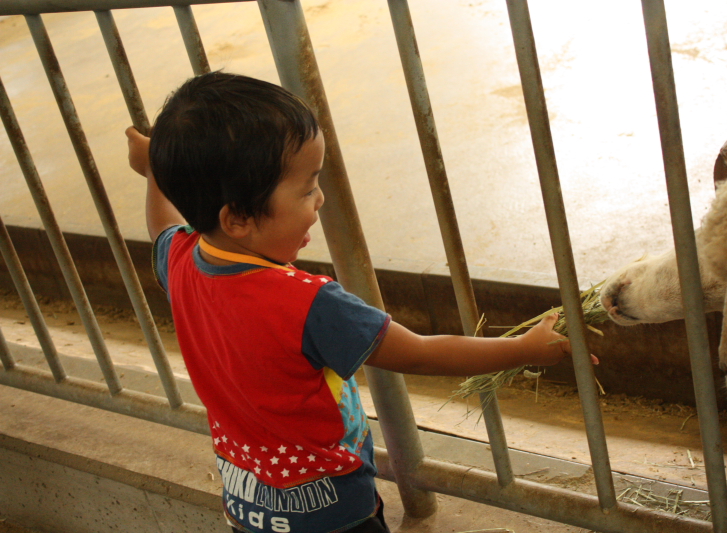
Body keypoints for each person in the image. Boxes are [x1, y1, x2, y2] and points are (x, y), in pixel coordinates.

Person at [128, 71, 589, 533]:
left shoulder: (181, 261)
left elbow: (161, 226)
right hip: (334, 515)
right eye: (307, 188)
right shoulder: (308, 304)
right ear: (239, 219)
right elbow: (419, 353)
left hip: (248, 509)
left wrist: (155, 175)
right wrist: (523, 349)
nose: (320, 199)